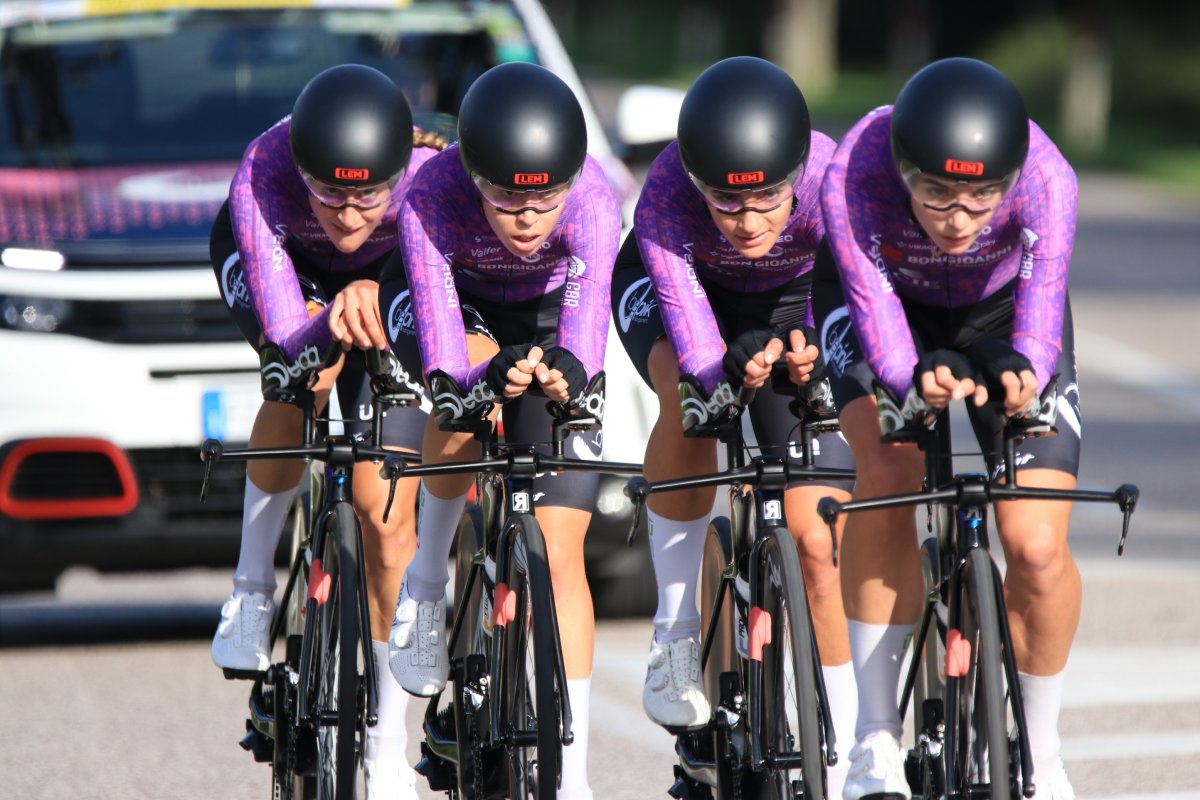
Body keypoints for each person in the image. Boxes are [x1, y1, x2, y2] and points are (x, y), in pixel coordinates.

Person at [814, 57, 1082, 800]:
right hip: (891, 308)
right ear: (905, 170)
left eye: (980, 197)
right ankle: (873, 738)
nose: (959, 218)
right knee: (891, 471)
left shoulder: (1049, 180)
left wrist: (1017, 368)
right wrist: (909, 381)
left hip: (1005, 314)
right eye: (936, 193)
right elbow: (874, 319)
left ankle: (1043, 751)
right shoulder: (853, 174)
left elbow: (1039, 318)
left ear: (1012, 178)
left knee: (1033, 546)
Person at [609, 55, 858, 793]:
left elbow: (846, 298)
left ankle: (846, 739)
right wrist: (717, 375)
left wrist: (808, 363)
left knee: (815, 542)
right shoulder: (664, 197)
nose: (749, 222)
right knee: (689, 403)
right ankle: (678, 633)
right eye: (726, 203)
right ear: (696, 185)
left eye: (767, 202)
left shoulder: (832, 182)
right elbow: (691, 339)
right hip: (687, 298)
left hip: (795, 300)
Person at [378, 61, 621, 800]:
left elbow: (583, 337)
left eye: (544, 199)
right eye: (505, 199)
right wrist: (475, 382)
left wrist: (565, 382)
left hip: (551, 317)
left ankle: (572, 778)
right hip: (459, 308)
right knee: (465, 398)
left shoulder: (595, 203)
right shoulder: (431, 194)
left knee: (561, 551)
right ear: (472, 173)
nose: (525, 218)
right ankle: (426, 586)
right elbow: (447, 356)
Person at [209, 63, 446, 799]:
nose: (347, 214)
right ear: (303, 172)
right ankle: (251, 590)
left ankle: (385, 740)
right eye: (330, 194)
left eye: (367, 194)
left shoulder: (433, 176)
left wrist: (377, 294)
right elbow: (283, 328)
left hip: (394, 276)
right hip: (287, 272)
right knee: (297, 377)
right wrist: (322, 320)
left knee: (386, 513)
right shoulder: (262, 173)